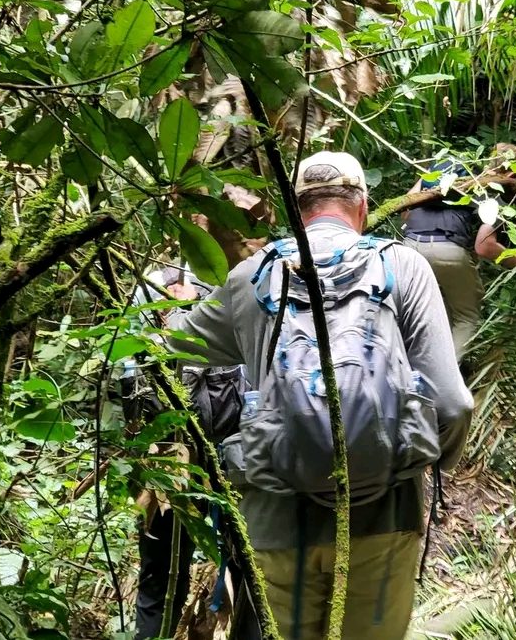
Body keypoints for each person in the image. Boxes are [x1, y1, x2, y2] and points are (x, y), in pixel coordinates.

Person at [165, 150, 474, 640]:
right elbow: (454, 404)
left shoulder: (250, 276)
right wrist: (426, 460)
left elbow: (175, 347)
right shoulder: (403, 267)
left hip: (275, 515)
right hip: (384, 515)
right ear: (363, 206)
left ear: (296, 208)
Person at [121, 267, 254, 640]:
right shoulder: (158, 282)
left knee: (245, 565)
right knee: (163, 569)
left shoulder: (242, 279)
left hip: (218, 450)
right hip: (176, 453)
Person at [402, 143, 516, 360]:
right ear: (513, 173)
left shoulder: (445, 171)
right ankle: (441, 379)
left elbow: (406, 210)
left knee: (410, 313)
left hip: (407, 250)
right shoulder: (493, 194)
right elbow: (485, 247)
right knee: (466, 317)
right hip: (447, 253)